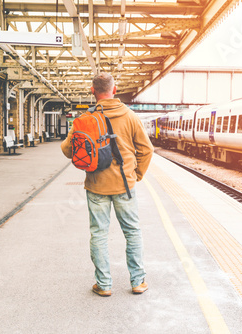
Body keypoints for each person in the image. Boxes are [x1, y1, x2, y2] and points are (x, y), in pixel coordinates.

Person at [61, 72, 154, 297]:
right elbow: (146, 150)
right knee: (132, 232)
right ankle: (138, 282)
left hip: (96, 186)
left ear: (93, 91)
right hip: (125, 185)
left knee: (99, 234)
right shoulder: (130, 116)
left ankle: (103, 285)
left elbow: (66, 149)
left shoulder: (85, 118)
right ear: (115, 89)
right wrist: (136, 175)